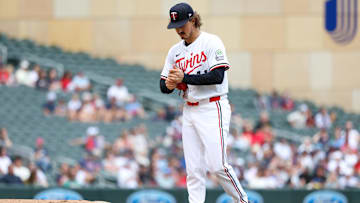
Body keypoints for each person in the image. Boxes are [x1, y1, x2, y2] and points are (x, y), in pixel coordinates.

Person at [159, 3, 248, 203]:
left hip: (212, 106)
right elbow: (163, 86)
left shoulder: (211, 42)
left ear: (193, 20)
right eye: (175, 26)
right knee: (194, 169)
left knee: (218, 166)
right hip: (189, 109)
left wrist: (184, 78)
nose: (179, 29)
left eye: (183, 24)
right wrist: (171, 83)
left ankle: (243, 201)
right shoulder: (175, 52)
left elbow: (217, 75)